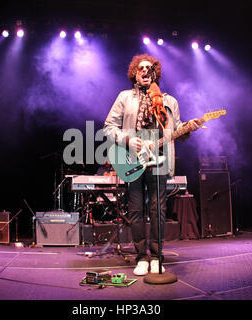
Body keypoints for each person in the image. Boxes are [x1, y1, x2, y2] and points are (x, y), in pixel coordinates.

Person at [103, 54, 199, 275]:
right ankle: (141, 257)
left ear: (155, 72)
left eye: (149, 68)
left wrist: (188, 128)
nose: (145, 71)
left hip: (160, 160)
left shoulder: (169, 101)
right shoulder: (124, 97)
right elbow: (109, 127)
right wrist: (128, 139)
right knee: (136, 211)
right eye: (140, 68)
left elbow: (176, 131)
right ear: (135, 73)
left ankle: (156, 256)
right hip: (133, 160)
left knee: (158, 211)